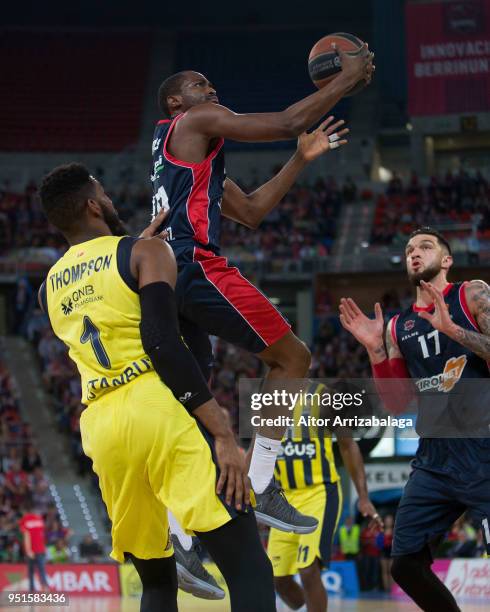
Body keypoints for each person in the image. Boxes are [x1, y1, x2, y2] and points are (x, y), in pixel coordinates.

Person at [151, 49, 373, 592]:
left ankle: (179, 536)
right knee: (293, 356)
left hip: (162, 274)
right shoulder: (193, 120)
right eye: (200, 82)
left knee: (191, 400)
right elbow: (287, 120)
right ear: (176, 101)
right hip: (193, 262)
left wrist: (300, 159)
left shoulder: (184, 155)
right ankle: (260, 480)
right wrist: (345, 79)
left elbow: (250, 211)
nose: (212, 86)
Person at [37, 163, 276, 612]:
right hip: (155, 407)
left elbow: (102, 295)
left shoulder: (47, 288)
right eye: (103, 194)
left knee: (158, 583)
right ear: (93, 205)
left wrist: (137, 248)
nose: (108, 200)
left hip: (102, 426)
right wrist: (223, 433)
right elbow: (163, 344)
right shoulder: (144, 253)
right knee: (247, 566)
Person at [339, 227, 490, 612]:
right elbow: (396, 403)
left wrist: (453, 330)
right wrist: (375, 351)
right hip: (435, 459)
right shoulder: (397, 326)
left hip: (484, 447)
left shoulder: (472, 294)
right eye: (409, 249)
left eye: (425, 246)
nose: (415, 253)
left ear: (447, 259)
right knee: (405, 565)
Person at [268, 383, 382, 611]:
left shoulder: (324, 397)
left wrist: (363, 497)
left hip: (319, 493)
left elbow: (348, 446)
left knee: (308, 568)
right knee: (277, 579)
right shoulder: (270, 401)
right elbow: (259, 448)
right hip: (285, 500)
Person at [19, 500, 50, 592]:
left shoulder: (24, 520)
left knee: (31, 571)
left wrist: (28, 550)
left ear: (24, 511)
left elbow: (26, 536)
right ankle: (45, 587)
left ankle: (32, 590)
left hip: (32, 550)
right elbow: (42, 535)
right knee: (41, 569)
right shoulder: (39, 519)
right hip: (41, 549)